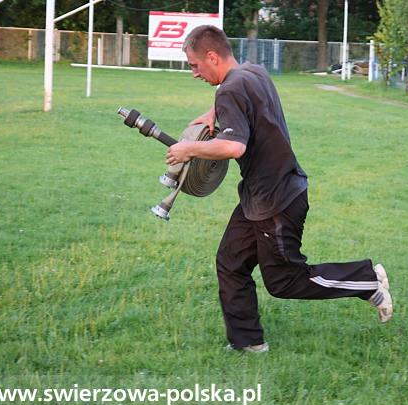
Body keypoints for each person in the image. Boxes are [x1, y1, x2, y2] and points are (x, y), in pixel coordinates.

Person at [166, 25, 393, 353]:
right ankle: (247, 343)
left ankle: (367, 280)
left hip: (276, 202)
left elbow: (233, 146)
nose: (193, 73)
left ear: (212, 56)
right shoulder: (251, 71)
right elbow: (244, 102)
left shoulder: (230, 90)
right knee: (230, 262)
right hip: (260, 196)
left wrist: (188, 150)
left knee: (285, 280)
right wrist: (214, 112)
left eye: (194, 65)